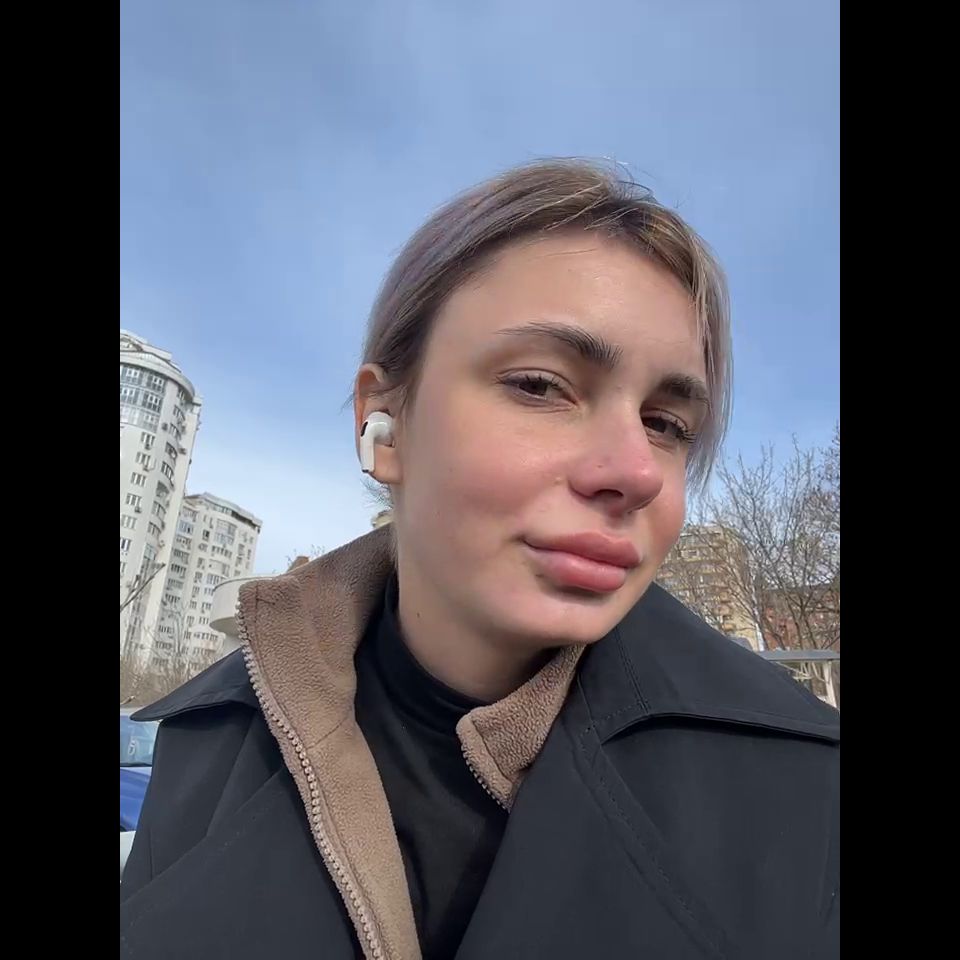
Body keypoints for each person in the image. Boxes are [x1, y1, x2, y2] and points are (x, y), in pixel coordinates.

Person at [120, 160, 839, 960]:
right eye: (540, 386)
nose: (636, 471)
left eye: (666, 424)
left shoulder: (808, 790)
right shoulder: (205, 738)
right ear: (383, 422)